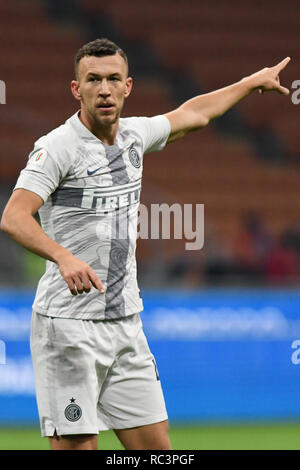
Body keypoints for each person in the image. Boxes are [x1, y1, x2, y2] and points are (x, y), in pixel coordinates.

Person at [0, 38, 290, 450]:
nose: (104, 89)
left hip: (125, 324)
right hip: (68, 327)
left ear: (128, 86)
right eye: (93, 80)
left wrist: (249, 82)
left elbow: (194, 114)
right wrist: (63, 258)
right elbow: (13, 216)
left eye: (113, 79)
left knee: (159, 451)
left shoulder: (135, 136)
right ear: (75, 89)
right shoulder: (57, 147)